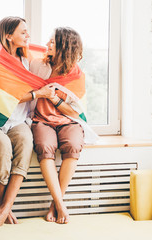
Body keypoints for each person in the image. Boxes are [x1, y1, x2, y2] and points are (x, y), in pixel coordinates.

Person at [0, 16, 54, 228]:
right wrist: (37, 94)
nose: (28, 36)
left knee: (26, 143)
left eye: (27, 31)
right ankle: (3, 205)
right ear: (8, 36)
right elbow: (3, 97)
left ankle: (6, 206)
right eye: (23, 32)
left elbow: (51, 64)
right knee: (3, 146)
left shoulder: (26, 60)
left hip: (17, 121)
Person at [30, 27, 97, 224]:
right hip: (42, 119)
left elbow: (75, 112)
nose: (47, 45)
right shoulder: (38, 66)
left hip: (68, 121)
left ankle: (55, 204)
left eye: (52, 42)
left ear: (63, 47)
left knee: (74, 145)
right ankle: (61, 205)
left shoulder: (76, 75)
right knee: (44, 147)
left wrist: (55, 99)